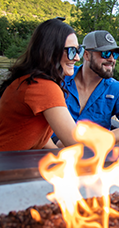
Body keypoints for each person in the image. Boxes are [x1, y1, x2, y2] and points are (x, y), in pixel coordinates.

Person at [0, 19, 81, 151]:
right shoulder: (43, 87)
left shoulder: (28, 81)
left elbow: (38, 135)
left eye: (79, 50)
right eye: (71, 51)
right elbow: (76, 142)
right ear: (51, 51)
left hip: (11, 164)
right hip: (6, 167)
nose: (77, 58)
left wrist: (57, 154)